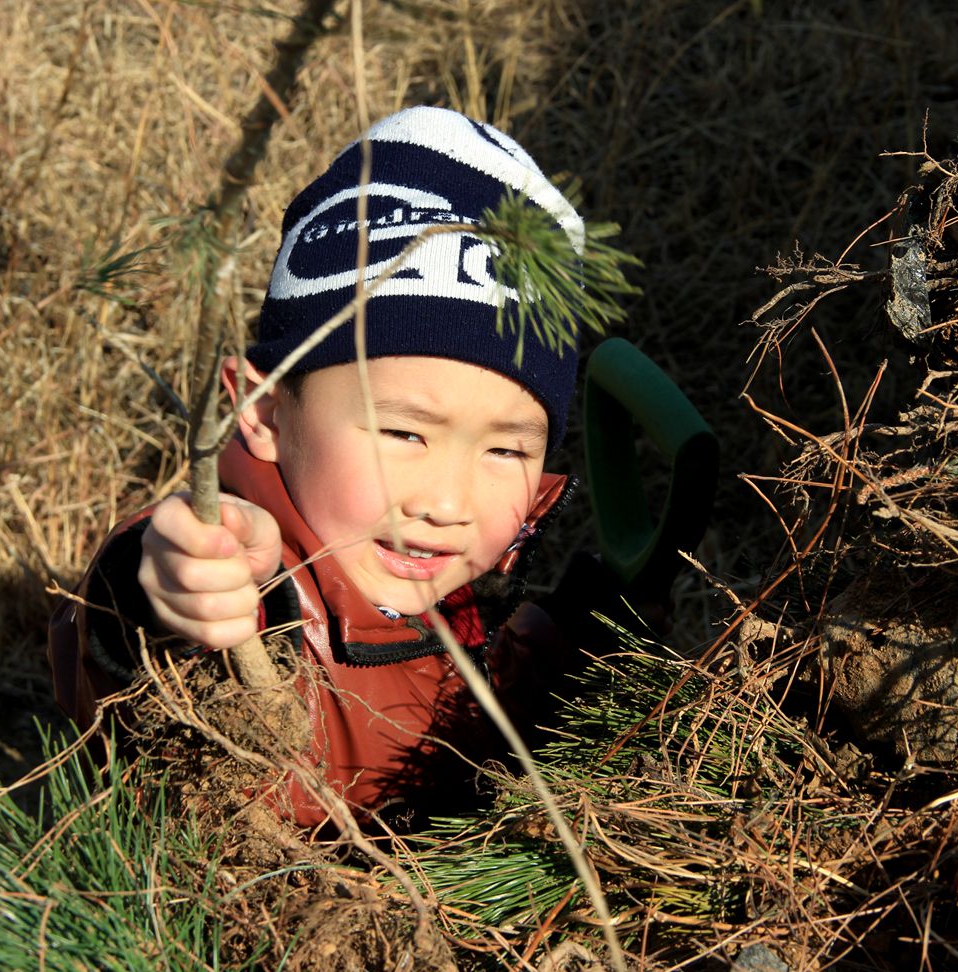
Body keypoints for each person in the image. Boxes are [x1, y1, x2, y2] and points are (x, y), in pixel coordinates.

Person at [49, 106, 604, 828]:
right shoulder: (265, 600)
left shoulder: (446, 585)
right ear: (262, 409)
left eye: (505, 449)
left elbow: (475, 681)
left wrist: (580, 629)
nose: (446, 500)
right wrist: (165, 586)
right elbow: (124, 647)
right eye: (405, 431)